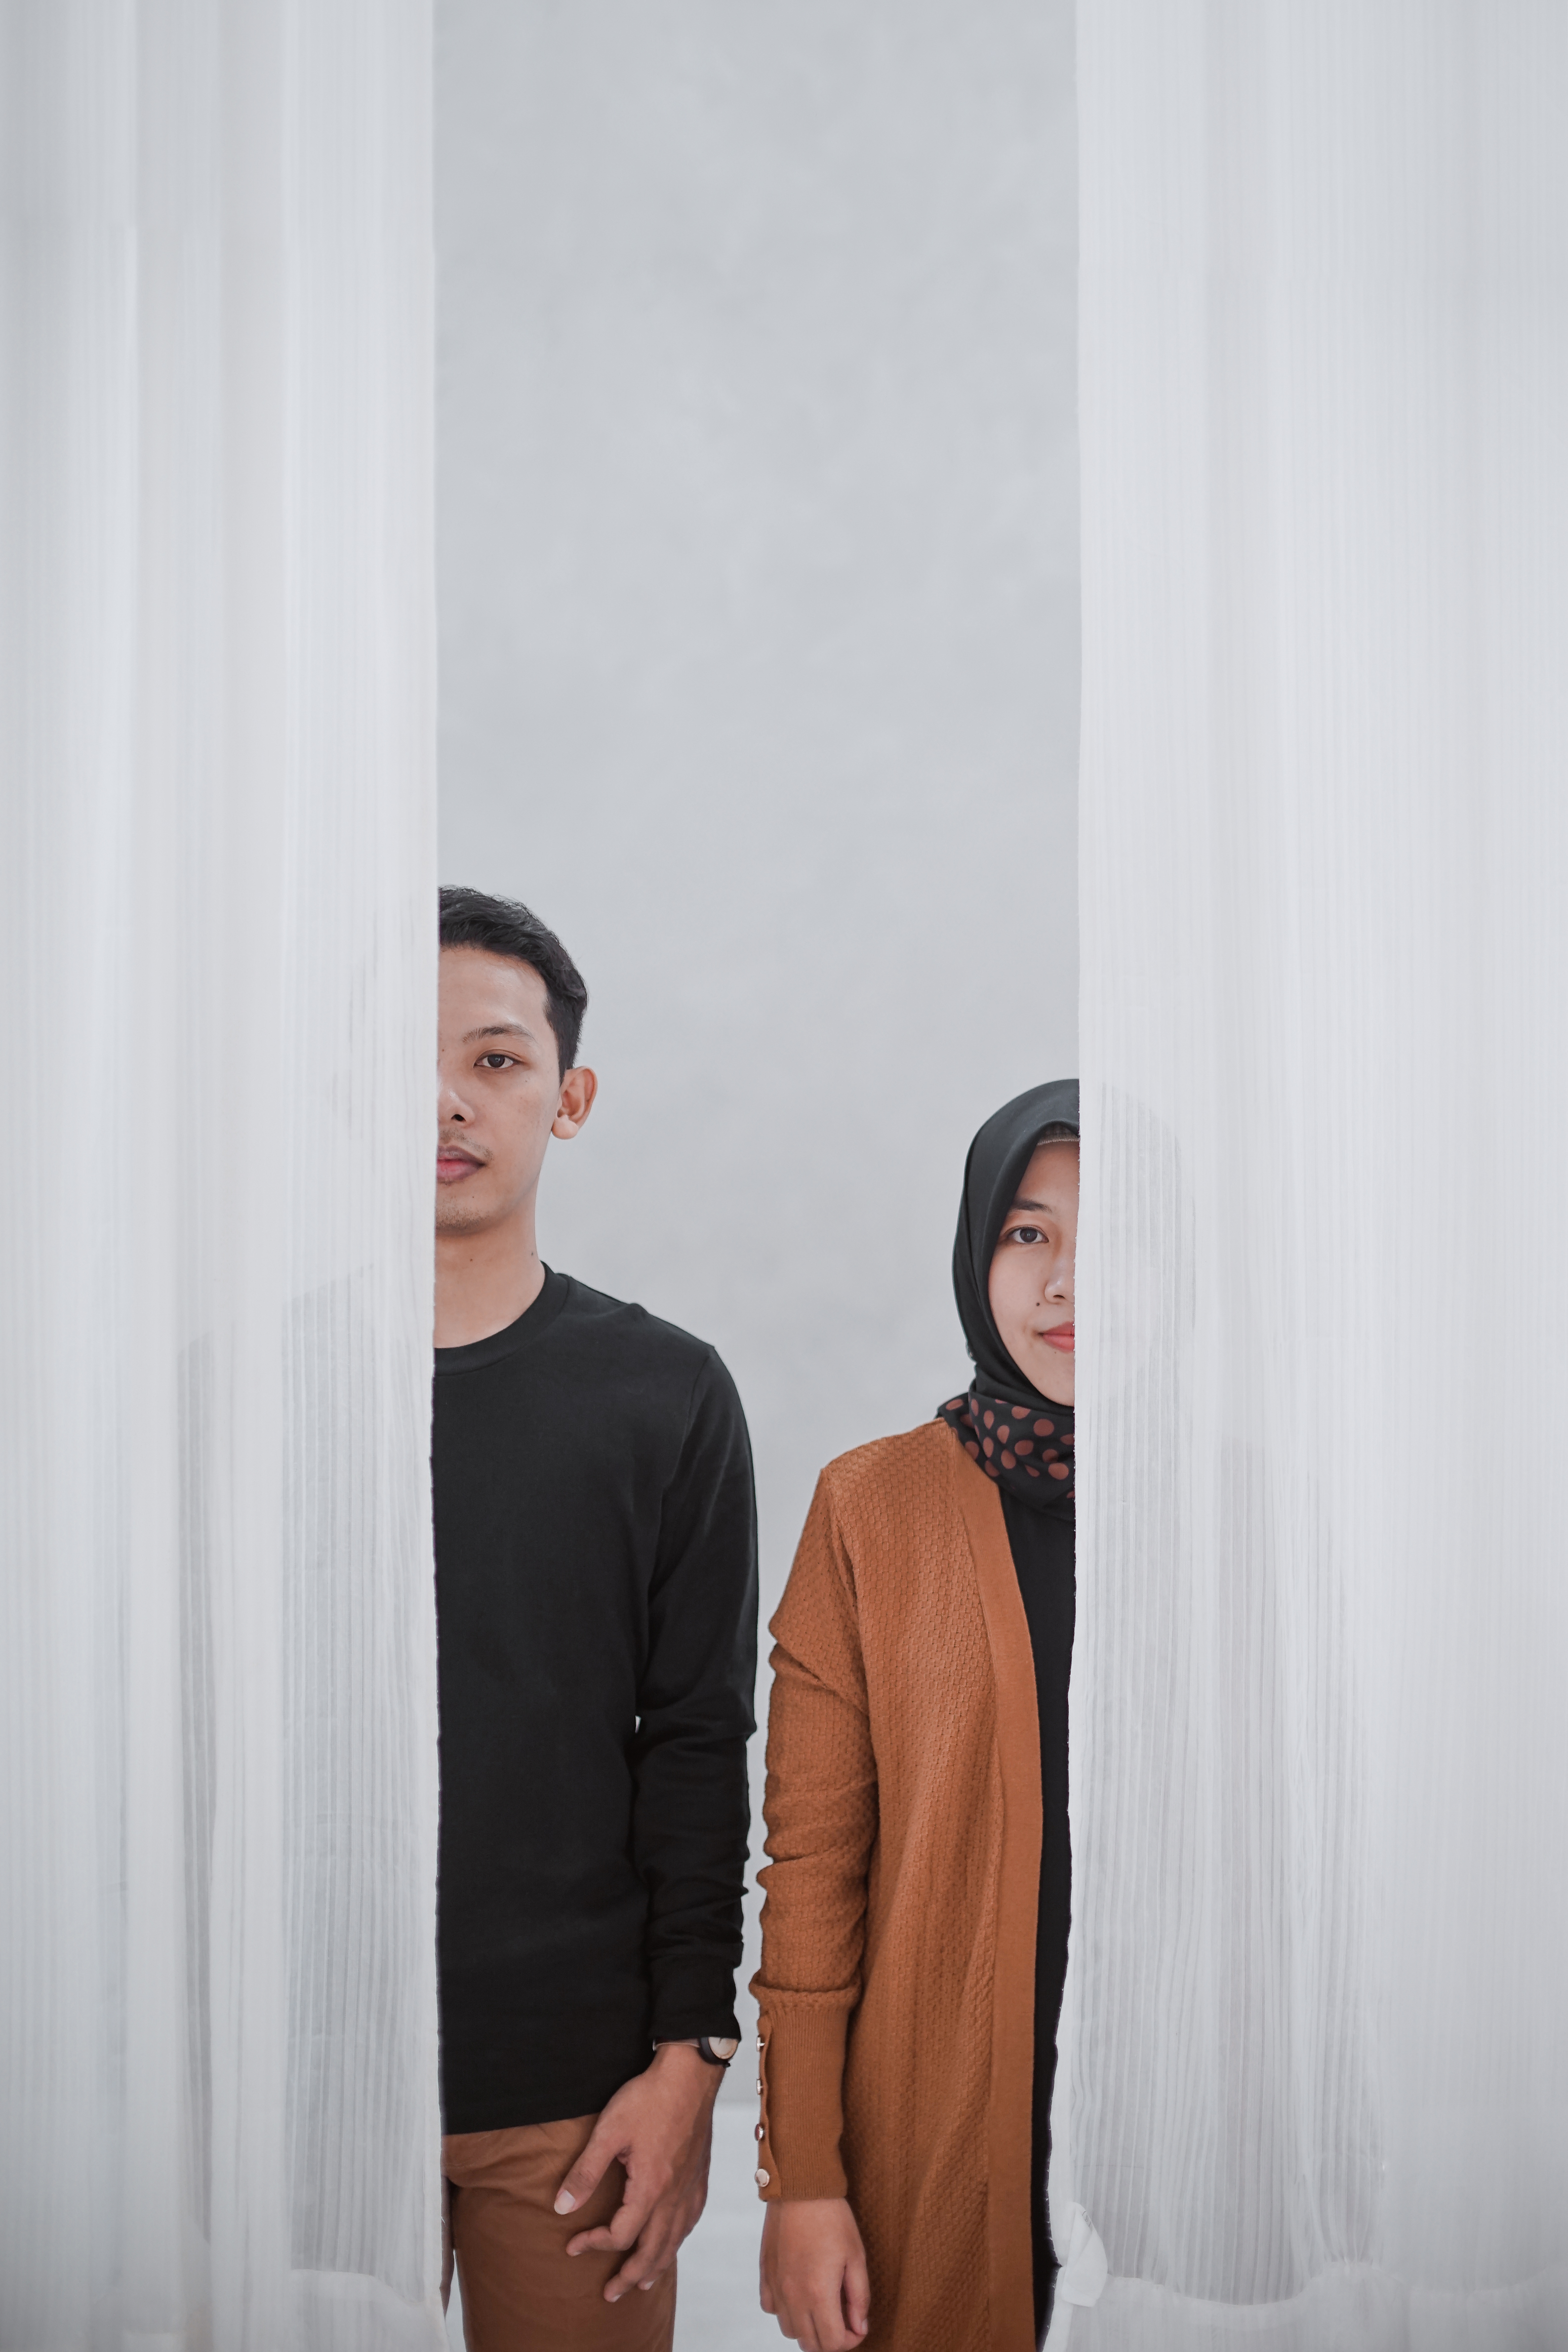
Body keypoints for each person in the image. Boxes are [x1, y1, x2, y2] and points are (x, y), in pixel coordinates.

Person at [433, 886, 759, 2351]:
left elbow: (697, 1739)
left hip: (575, 2092)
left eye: (495, 1059)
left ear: (570, 1098)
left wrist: (691, 2058)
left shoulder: (665, 1392)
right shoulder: (252, 1388)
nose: (445, 1100)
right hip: (290, 2075)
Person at [754, 1082, 1080, 2352]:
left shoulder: (1245, 1510)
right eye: (1028, 1231)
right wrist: (803, 2179)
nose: (1067, 1282)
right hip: (928, 2144)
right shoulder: (870, 1505)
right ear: (975, 1251)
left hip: (1194, 2139)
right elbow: (811, 1868)